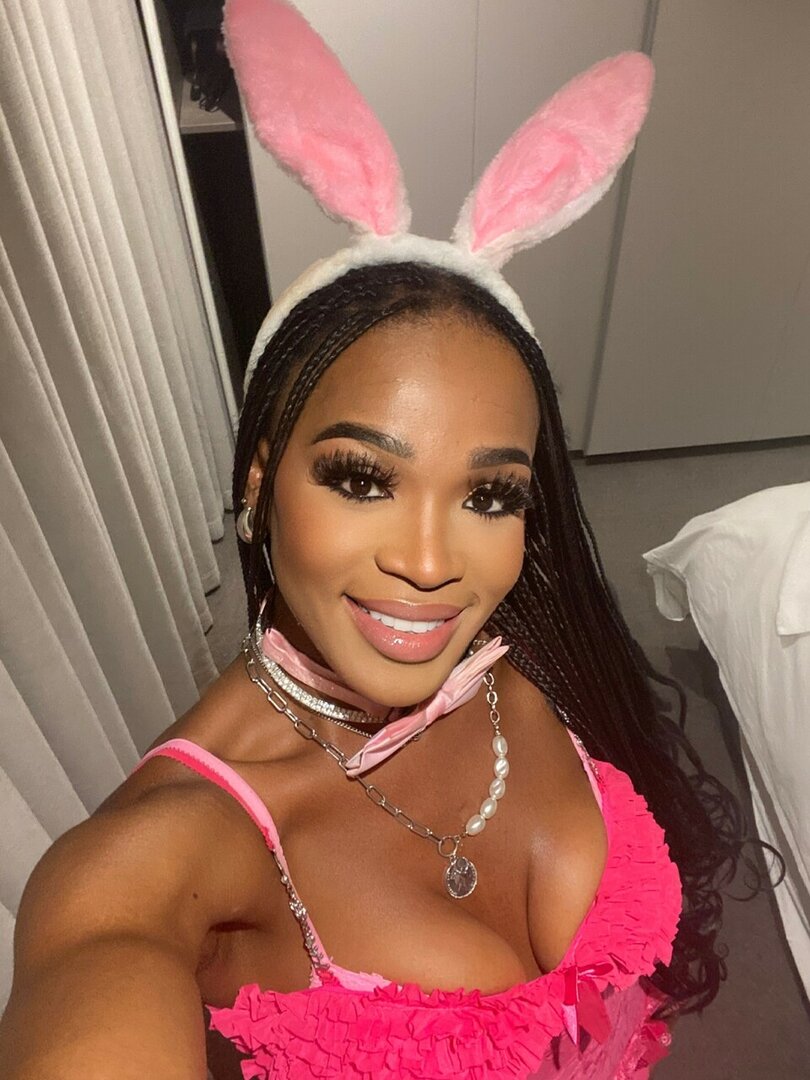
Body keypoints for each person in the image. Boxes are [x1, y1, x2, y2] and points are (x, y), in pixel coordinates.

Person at [0, 2, 769, 1077]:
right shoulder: (165, 853)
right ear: (261, 482)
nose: (432, 563)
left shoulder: (530, 654)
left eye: (488, 495)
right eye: (362, 478)